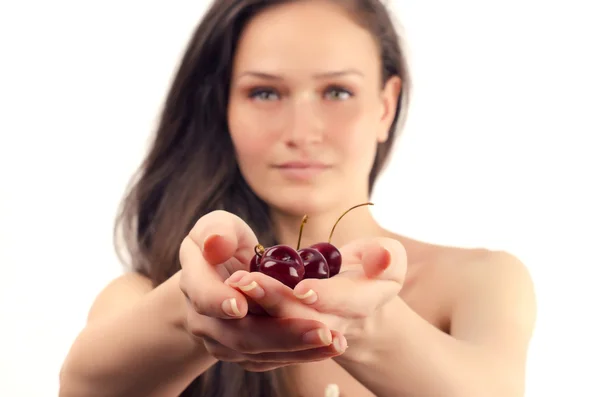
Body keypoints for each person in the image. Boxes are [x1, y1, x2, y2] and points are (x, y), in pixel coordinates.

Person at [58, 0, 537, 396]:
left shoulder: (478, 284)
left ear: (385, 106)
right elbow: (85, 385)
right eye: (265, 94)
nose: (302, 133)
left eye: (337, 91)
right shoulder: (150, 297)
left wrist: (370, 325)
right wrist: (190, 316)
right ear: (223, 108)